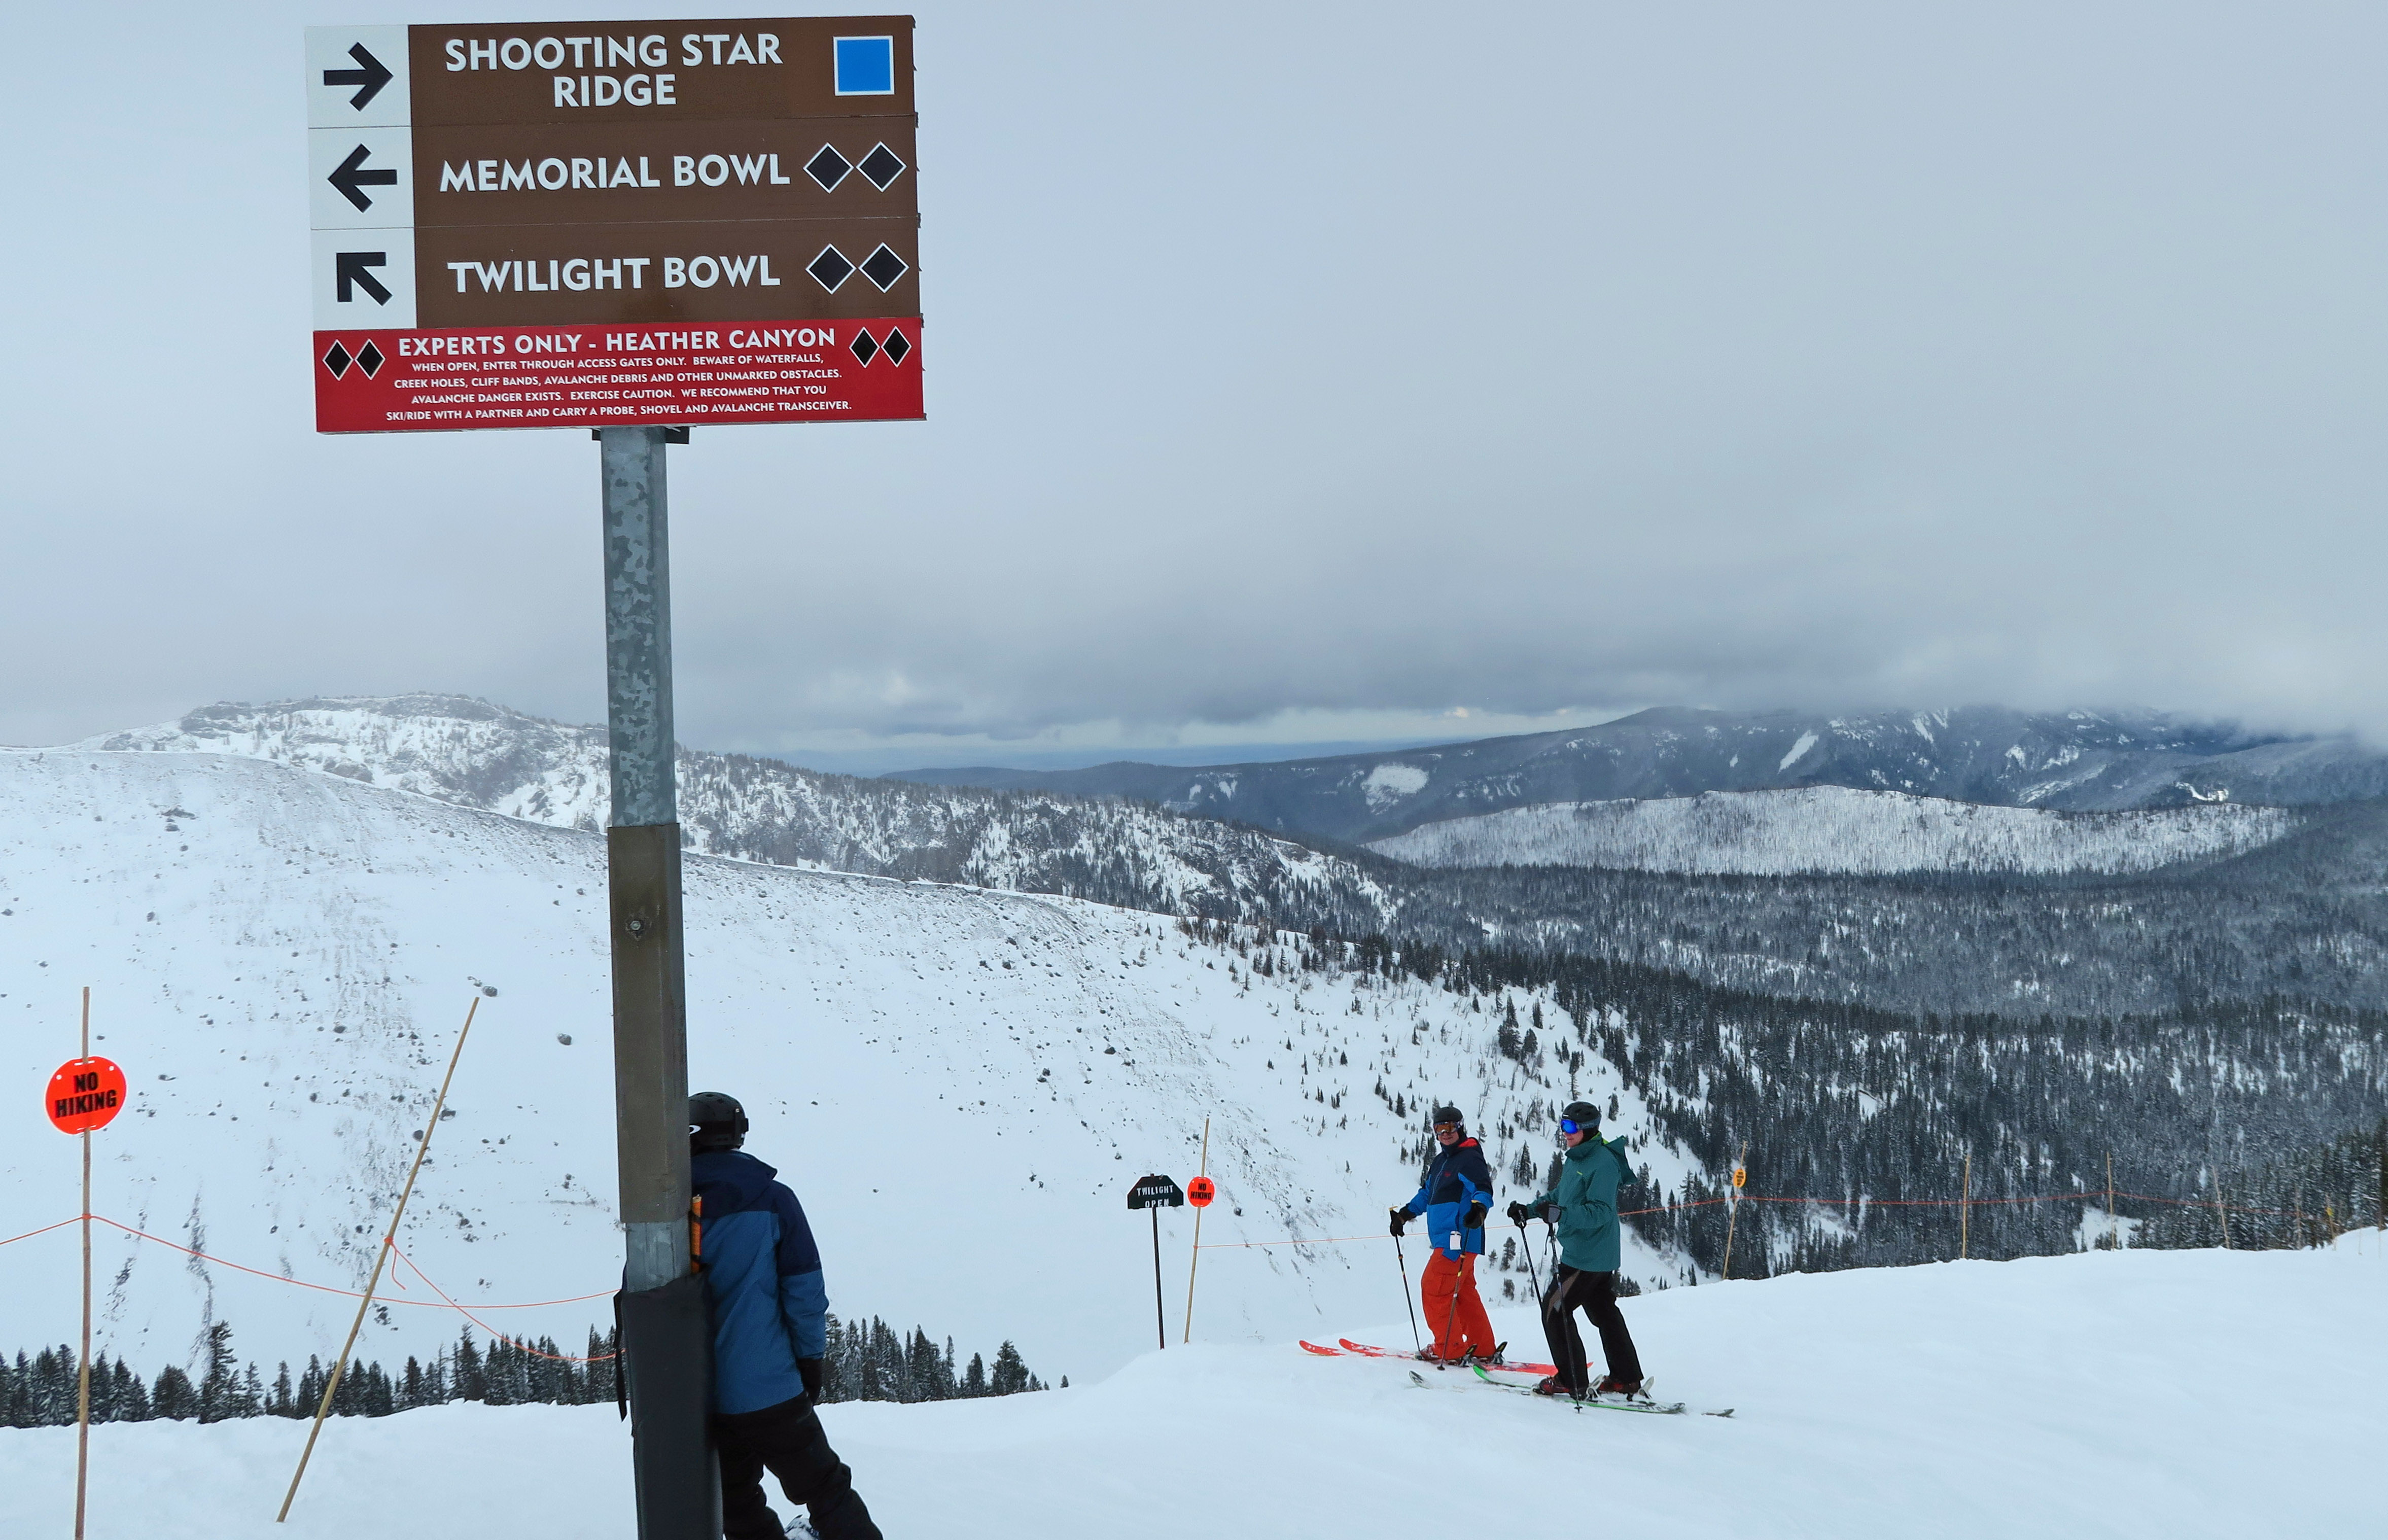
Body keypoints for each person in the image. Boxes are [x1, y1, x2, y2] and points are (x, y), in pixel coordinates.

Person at [688, 1091, 882, 1540]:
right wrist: (809, 1360)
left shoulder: (665, 1208)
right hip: (768, 1387)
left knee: (736, 1500)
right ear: (738, 1136)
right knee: (826, 1489)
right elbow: (804, 1290)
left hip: (695, 1396)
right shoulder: (774, 1199)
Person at [1509, 1100, 1645, 1400]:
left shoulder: (1602, 1163)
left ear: (1587, 1129)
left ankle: (1571, 1380)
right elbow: (1561, 1195)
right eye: (1563, 1126)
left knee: (1555, 1309)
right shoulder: (1577, 1159)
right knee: (1604, 1313)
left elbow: (1600, 1212)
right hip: (1590, 1253)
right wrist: (1530, 1211)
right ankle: (1626, 1379)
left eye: (1570, 1127)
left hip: (1588, 1256)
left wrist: (1562, 1215)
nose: (1565, 1133)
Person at [1389, 1104, 1499, 1364]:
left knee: (1434, 1289)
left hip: (1457, 1239)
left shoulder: (1469, 1157)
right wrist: (1405, 1215)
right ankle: (1481, 1347)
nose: (1446, 1133)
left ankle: (1448, 1348)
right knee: (1463, 1293)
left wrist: (1480, 1210)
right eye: (1440, 1129)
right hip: (1451, 1240)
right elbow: (1428, 1194)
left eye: (1451, 1128)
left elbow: (1483, 1188)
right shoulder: (1442, 1161)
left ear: (1460, 1128)